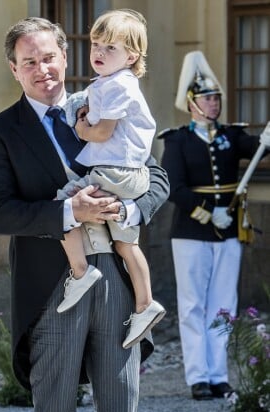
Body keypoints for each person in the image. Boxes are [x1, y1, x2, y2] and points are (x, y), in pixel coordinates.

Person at [0, 16, 168, 412]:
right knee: (55, 408)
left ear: (66, 56)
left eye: (49, 57)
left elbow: (154, 176)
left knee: (120, 404)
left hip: (115, 276)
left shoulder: (104, 100)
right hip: (52, 286)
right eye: (28, 61)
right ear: (14, 69)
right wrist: (67, 209)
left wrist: (133, 207)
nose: (42, 70)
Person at [159, 50, 270, 401]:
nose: (214, 103)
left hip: (229, 232)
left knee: (224, 303)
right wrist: (207, 211)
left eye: (217, 98)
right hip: (191, 232)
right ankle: (198, 376)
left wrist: (266, 140)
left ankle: (219, 375)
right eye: (208, 98)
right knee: (192, 304)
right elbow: (173, 189)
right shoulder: (176, 140)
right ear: (192, 103)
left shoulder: (231, 136)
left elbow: (257, 149)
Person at [55, 10, 165, 349]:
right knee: (126, 244)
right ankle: (145, 304)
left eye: (110, 48)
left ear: (132, 56)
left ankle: (80, 272)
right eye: (95, 45)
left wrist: (80, 127)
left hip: (117, 172)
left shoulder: (118, 84)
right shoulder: (113, 83)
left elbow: (102, 132)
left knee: (64, 203)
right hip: (125, 173)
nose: (99, 53)